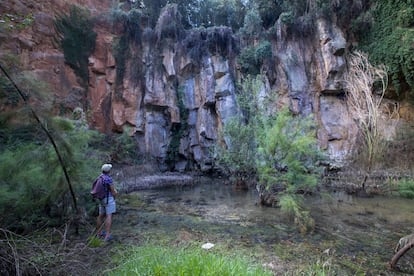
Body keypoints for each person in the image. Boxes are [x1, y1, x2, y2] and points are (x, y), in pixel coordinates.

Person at [96, 163, 117, 241]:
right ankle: (107, 235)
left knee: (100, 215)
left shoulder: (99, 178)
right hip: (108, 199)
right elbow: (113, 191)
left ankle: (99, 233)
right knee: (109, 216)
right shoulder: (108, 179)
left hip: (101, 199)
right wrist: (115, 197)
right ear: (109, 171)